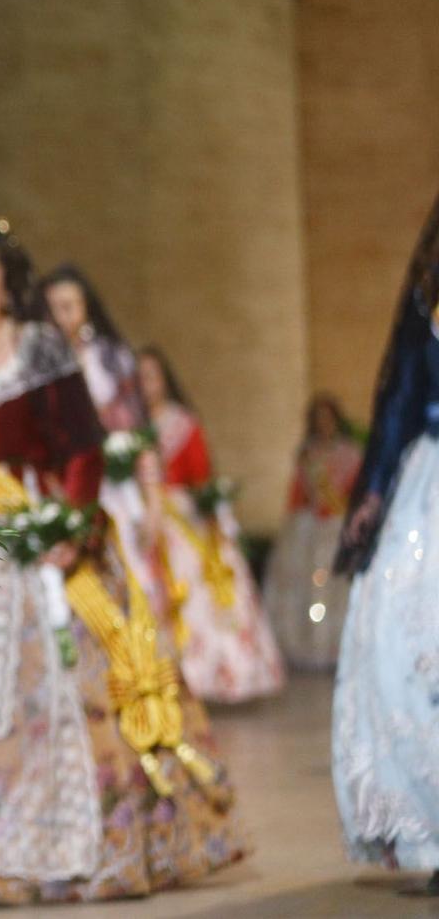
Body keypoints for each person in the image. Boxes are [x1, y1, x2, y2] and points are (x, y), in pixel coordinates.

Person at [0, 221, 245, 903]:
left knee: (43, 691)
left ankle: (35, 845)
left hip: (24, 545)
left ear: (8, 283)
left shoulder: (38, 353)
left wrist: (73, 525)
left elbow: (83, 449)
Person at [334, 191, 439, 886]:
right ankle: (429, 828)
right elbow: (399, 395)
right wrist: (372, 491)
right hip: (424, 483)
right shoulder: (427, 302)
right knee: (398, 645)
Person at [137, 347, 284, 703]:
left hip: (181, 520)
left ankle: (213, 673)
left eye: (152, 376)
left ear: (165, 380)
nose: (146, 385)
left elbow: (200, 475)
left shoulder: (183, 424)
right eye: (138, 378)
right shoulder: (128, 427)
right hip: (140, 516)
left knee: (198, 591)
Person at [38, 265, 162, 603]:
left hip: (113, 493)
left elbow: (140, 435)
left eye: (69, 306)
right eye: (52, 308)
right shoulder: (35, 366)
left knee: (128, 586)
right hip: (56, 493)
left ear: (86, 308)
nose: (60, 317)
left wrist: (153, 503)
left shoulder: (110, 359)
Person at [262, 395, 360, 670]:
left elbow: (356, 493)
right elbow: (298, 493)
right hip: (310, 528)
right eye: (318, 417)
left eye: (327, 417)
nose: (323, 423)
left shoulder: (350, 454)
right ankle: (311, 646)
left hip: (337, 526)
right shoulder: (307, 454)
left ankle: (336, 646)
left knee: (335, 586)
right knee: (310, 586)